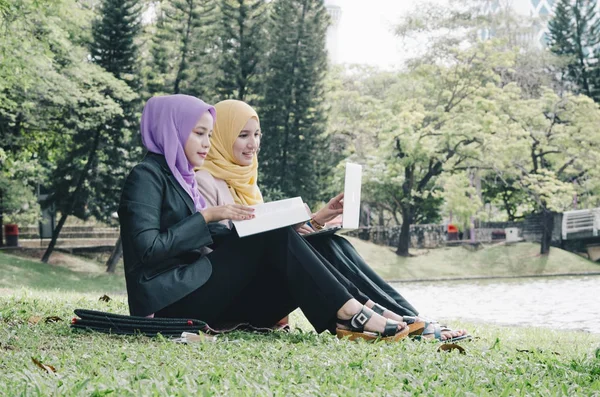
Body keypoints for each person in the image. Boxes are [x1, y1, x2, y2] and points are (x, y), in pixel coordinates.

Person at [118, 94, 411, 342]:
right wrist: (207, 216)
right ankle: (349, 312)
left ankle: (359, 308)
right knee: (273, 235)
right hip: (169, 303)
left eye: (209, 134)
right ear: (172, 130)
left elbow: (209, 239)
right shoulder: (146, 176)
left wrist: (268, 225)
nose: (207, 143)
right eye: (198, 133)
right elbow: (148, 250)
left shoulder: (183, 179)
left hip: (203, 294)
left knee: (299, 239)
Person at [195, 99, 470, 342]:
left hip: (256, 287)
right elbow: (221, 248)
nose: (253, 143)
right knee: (316, 244)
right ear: (221, 136)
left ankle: (408, 318)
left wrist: (315, 222)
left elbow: (276, 248)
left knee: (334, 244)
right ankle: (354, 315)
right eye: (242, 135)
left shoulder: (248, 184)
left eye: (256, 134)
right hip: (231, 297)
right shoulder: (203, 180)